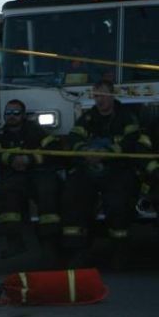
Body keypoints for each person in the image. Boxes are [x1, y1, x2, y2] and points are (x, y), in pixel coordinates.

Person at [60, 79, 141, 268]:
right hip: (90, 169)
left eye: (103, 95)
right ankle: (77, 251)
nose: (99, 100)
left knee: (118, 204)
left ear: (112, 95)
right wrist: (86, 152)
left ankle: (120, 252)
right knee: (73, 199)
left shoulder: (127, 117)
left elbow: (132, 140)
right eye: (96, 96)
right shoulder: (88, 118)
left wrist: (107, 154)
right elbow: (74, 137)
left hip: (117, 169)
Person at [0, 99, 61, 261]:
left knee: (47, 194)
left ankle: (50, 244)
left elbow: (53, 149)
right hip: (13, 175)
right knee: (7, 195)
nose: (11, 116)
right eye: (8, 113)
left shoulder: (36, 131)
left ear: (23, 115)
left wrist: (29, 159)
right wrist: (12, 159)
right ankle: (14, 241)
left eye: (16, 113)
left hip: (38, 173)